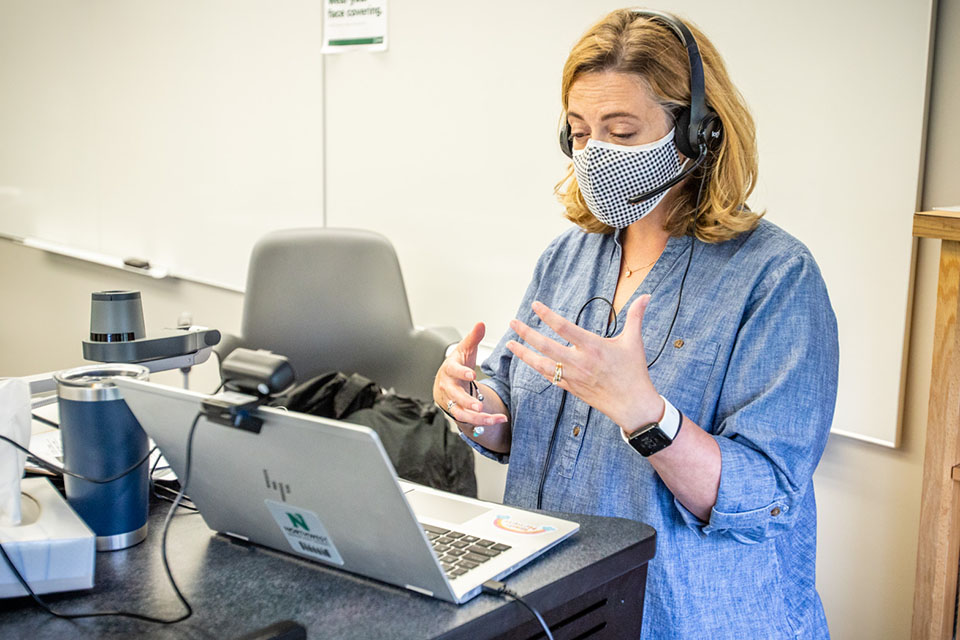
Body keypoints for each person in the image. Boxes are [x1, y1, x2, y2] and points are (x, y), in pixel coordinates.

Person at [432, 8, 838, 640]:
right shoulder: (567, 258)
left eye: (621, 132)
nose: (595, 155)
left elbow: (768, 498)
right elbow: (518, 411)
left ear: (698, 133)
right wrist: (479, 405)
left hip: (692, 619)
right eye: (580, 131)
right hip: (562, 607)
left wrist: (648, 416)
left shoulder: (777, 277)